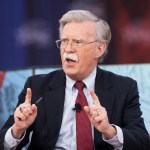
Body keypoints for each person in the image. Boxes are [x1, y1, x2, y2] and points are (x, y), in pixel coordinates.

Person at [0, 10, 149, 150]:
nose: (68, 49)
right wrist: (18, 130)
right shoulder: (37, 86)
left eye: (78, 42)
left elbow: (142, 142)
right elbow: (3, 143)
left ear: (100, 49)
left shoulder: (123, 87)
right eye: (64, 41)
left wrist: (109, 131)